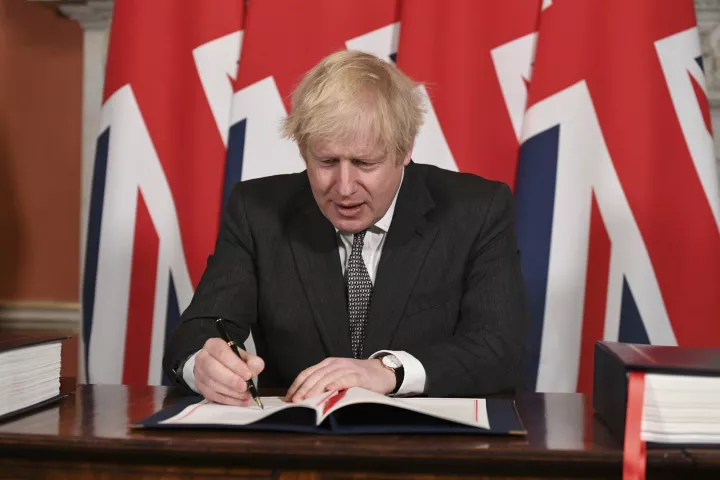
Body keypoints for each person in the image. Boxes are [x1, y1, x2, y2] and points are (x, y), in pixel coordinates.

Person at [163, 50, 529, 406]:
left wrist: (388, 371)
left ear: (405, 149)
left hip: (429, 442)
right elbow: (200, 329)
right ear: (303, 150)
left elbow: (499, 349)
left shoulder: (476, 210)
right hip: (299, 439)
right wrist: (203, 365)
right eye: (326, 161)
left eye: (364, 163)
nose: (344, 187)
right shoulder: (257, 211)